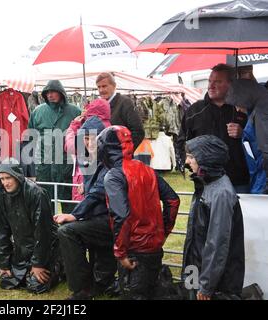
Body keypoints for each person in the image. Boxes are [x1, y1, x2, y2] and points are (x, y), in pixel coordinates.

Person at [98, 126, 180, 300]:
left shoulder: (114, 175)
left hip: (133, 249)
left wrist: (121, 253)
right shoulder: (146, 169)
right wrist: (162, 232)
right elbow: (173, 200)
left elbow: (122, 215)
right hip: (153, 248)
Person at [56, 116, 115, 300]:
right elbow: (95, 190)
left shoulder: (107, 160)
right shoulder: (94, 159)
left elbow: (98, 192)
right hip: (101, 217)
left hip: (111, 220)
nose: (89, 142)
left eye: (93, 137)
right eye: (86, 138)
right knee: (75, 233)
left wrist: (74, 215)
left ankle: (82, 288)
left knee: (67, 232)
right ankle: (93, 283)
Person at [182, 135, 245, 300]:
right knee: (189, 294)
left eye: (191, 157)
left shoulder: (221, 193)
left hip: (214, 280)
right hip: (195, 265)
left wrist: (206, 286)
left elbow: (217, 244)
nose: (187, 161)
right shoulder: (205, 184)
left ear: (206, 160)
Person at [177, 64, 250, 193]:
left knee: (240, 213)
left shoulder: (242, 108)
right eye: (210, 81)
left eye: (218, 81)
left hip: (238, 181)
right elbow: (182, 142)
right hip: (206, 182)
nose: (211, 85)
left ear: (230, 84)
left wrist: (243, 133)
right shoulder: (194, 111)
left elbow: (256, 142)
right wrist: (192, 166)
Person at [0, 159, 61, 294]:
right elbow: (1, 231)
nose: (5, 182)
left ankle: (57, 269)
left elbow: (43, 232)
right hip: (21, 250)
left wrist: (38, 264)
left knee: (36, 286)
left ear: (17, 176)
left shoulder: (36, 194)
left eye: (8, 178)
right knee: (7, 281)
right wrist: (4, 264)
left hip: (46, 249)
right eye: (2, 179)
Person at [27, 80, 81, 214]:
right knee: (45, 201)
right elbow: (32, 134)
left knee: (69, 201)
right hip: (45, 165)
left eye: (53, 91)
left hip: (66, 164)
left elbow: (82, 135)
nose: (50, 95)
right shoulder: (38, 112)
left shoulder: (74, 111)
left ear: (61, 92)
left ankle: (68, 231)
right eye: (47, 92)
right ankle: (48, 232)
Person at [65, 98, 111, 202]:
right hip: (102, 182)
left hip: (85, 177)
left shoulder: (89, 126)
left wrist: (73, 127)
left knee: (85, 206)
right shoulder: (108, 126)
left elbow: (71, 147)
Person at [95, 72, 145, 149]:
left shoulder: (125, 103)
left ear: (114, 86)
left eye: (104, 86)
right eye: (99, 87)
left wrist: (124, 152)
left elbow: (138, 131)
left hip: (119, 157)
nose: (101, 90)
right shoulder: (97, 106)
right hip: (102, 157)